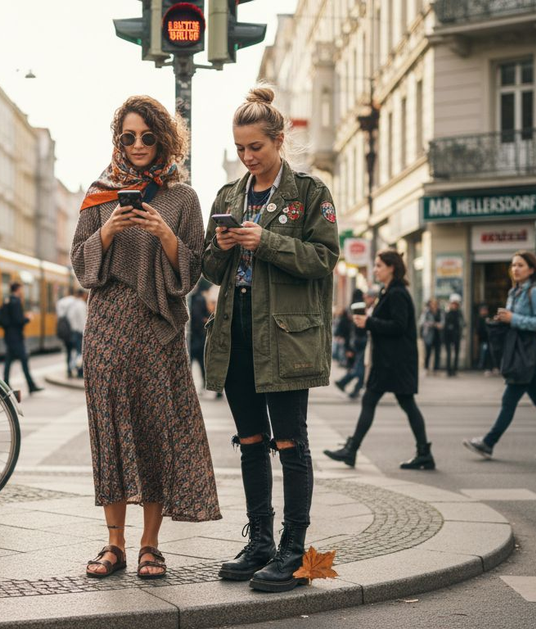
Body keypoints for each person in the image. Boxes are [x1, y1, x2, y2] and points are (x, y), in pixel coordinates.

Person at [73, 95, 220, 580]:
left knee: (157, 433)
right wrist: (109, 231)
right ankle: (113, 543)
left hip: (157, 330)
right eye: (128, 137)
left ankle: (150, 545)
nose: (137, 145)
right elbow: (79, 263)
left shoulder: (182, 198)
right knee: (111, 433)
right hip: (107, 328)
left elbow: (194, 269)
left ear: (163, 139)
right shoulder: (100, 193)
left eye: (147, 137)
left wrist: (164, 234)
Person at [202, 86, 340, 593]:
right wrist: (219, 247)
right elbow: (210, 270)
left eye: (255, 147)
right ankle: (259, 540)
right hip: (237, 332)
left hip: (286, 337)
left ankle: (293, 551)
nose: (247, 156)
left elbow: (324, 260)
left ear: (278, 140)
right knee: (251, 441)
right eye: (240, 148)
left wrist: (268, 242)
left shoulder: (309, 192)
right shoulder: (228, 195)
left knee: (290, 442)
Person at [324, 250, 434, 472]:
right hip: (391, 360)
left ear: (391, 267)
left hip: (393, 362)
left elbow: (399, 326)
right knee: (402, 403)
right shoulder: (388, 291)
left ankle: (352, 450)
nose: (375, 270)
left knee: (376, 401)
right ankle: (423, 453)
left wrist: (370, 322)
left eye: (379, 266)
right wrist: (369, 321)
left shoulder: (397, 293)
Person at [464, 251, 536, 460]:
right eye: (513, 265)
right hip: (521, 354)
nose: (515, 269)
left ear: (531, 269)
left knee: (509, 400)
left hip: (530, 357)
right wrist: (504, 319)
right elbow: (517, 320)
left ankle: (488, 443)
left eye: (520, 265)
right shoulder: (515, 292)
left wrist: (514, 318)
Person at [0, 282, 42, 394]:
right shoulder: (16, 302)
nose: (22, 292)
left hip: (8, 335)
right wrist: (28, 319)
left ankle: (5, 383)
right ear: (17, 290)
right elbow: (18, 320)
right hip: (16, 336)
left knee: (9, 360)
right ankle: (31, 385)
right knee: (24, 359)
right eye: (21, 289)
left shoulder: (6, 301)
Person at [335, 288, 374, 399]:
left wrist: (348, 347)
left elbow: (345, 329)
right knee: (360, 366)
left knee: (360, 365)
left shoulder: (349, 308)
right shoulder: (360, 307)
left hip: (354, 340)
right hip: (362, 339)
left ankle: (349, 386)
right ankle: (345, 383)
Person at [56, 289, 88, 378]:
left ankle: (69, 370)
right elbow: (82, 321)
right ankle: (79, 371)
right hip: (78, 332)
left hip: (68, 331)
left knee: (69, 352)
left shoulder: (64, 302)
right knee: (79, 352)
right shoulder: (80, 304)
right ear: (83, 295)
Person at [189, 280, 212, 391]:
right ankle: (190, 386)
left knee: (203, 364)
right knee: (190, 364)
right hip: (191, 336)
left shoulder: (200, 299)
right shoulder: (191, 299)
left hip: (199, 336)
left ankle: (207, 385)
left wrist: (204, 322)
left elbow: (206, 315)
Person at [443, 294, 465, 377]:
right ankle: (448, 370)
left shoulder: (459, 313)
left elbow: (463, 323)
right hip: (448, 336)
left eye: (456, 304)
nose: (454, 305)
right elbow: (445, 323)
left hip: (456, 335)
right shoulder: (447, 312)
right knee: (449, 353)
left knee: (456, 353)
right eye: (453, 303)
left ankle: (455, 370)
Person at [420, 298, 443, 374]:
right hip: (429, 335)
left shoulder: (440, 312)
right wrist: (432, 324)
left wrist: (440, 325)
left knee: (437, 352)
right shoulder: (426, 312)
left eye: (435, 304)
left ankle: (436, 368)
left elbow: (443, 322)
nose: (433, 305)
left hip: (438, 335)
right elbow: (422, 322)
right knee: (428, 352)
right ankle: (426, 367)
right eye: (432, 304)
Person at [475, 303, 495, 374]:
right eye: (483, 310)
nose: (484, 312)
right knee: (483, 354)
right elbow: (477, 331)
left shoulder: (488, 319)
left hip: (488, 339)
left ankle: (489, 367)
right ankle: (483, 366)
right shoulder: (479, 319)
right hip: (482, 340)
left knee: (489, 353)